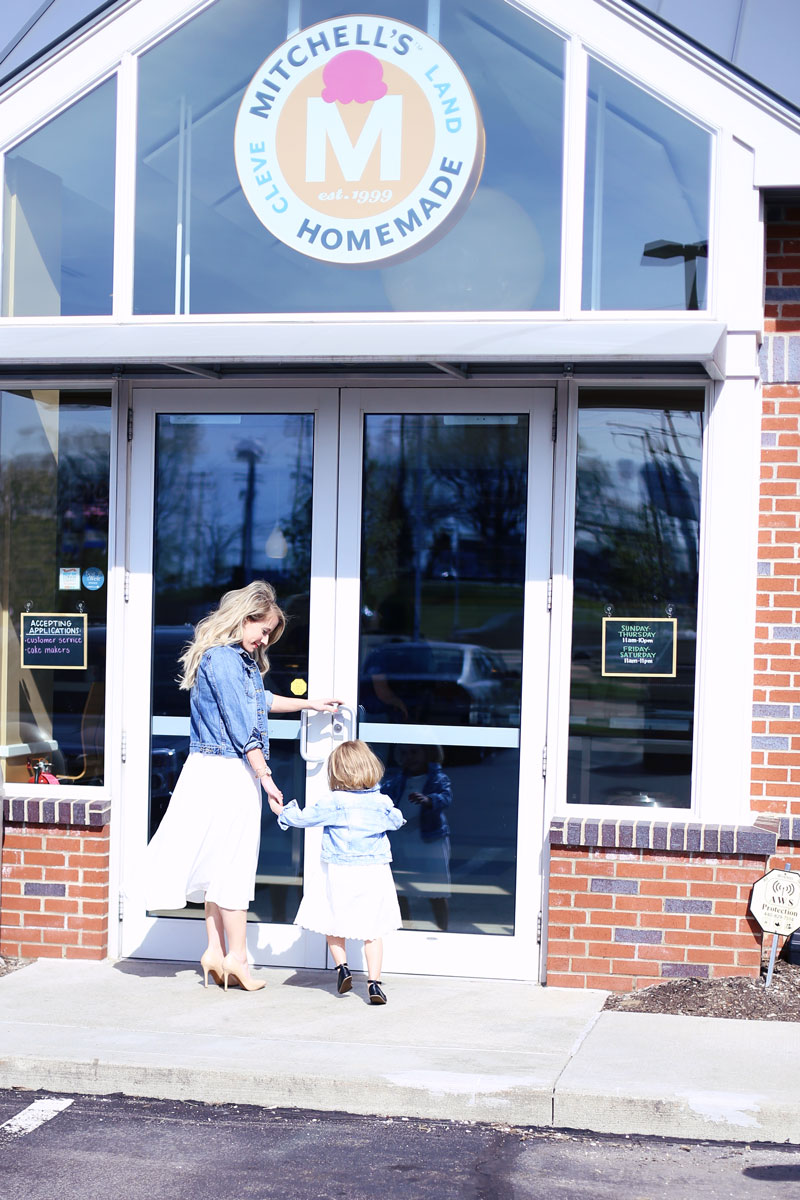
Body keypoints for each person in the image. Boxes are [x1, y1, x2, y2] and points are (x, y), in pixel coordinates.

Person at [143, 580, 340, 992]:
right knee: (233, 868)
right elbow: (242, 725)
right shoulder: (227, 660)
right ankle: (239, 958)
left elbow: (260, 702)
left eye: (269, 633)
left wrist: (309, 703)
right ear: (243, 617)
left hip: (211, 770)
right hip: (229, 773)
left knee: (219, 866)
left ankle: (215, 952)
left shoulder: (228, 659)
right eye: (263, 629)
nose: (264, 639)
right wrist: (266, 777)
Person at [277, 739, 405, 1005]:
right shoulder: (380, 800)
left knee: (332, 919)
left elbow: (301, 819)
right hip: (373, 870)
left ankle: (342, 968)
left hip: (339, 869)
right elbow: (397, 821)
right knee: (374, 930)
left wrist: (281, 810)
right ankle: (374, 984)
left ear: (336, 772)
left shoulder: (334, 801)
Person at [381, 744, 452, 931]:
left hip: (428, 840)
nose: (409, 757)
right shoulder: (397, 778)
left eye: (414, 752)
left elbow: (446, 797)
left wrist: (430, 800)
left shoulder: (436, 777)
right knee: (400, 888)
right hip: (402, 840)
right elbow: (384, 793)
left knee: (436, 889)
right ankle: (404, 926)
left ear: (428, 753)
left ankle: (443, 928)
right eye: (404, 753)